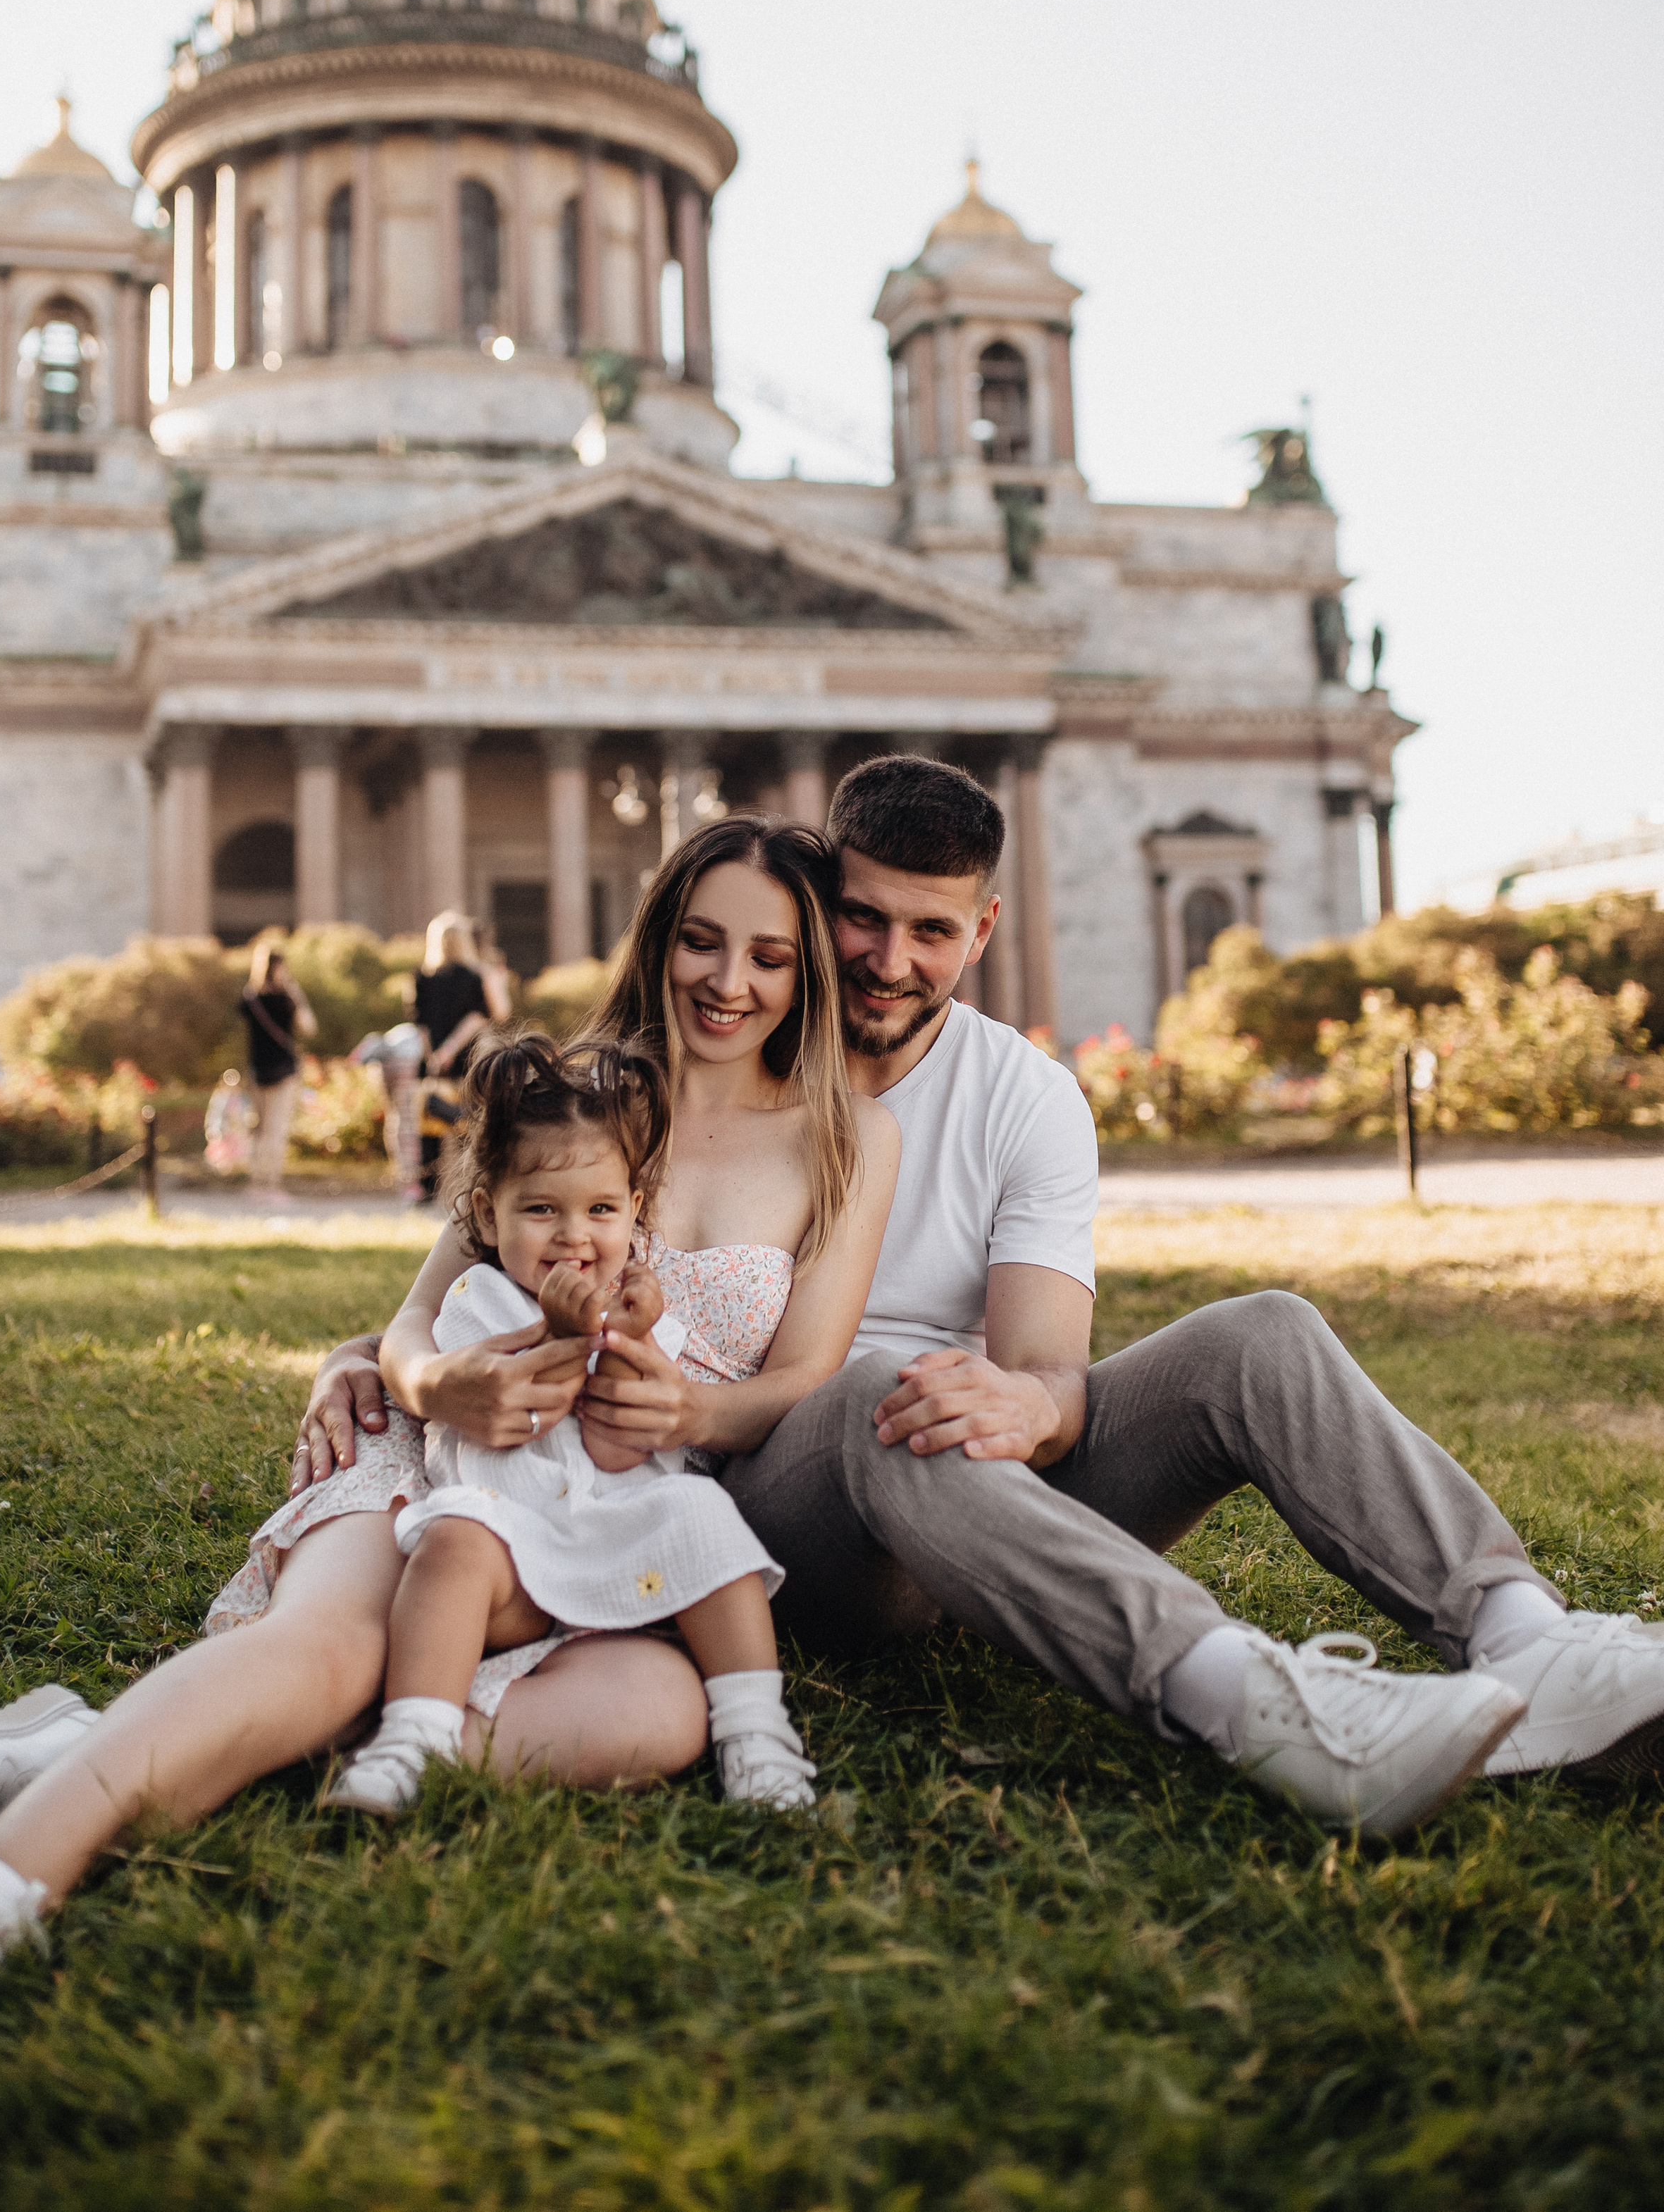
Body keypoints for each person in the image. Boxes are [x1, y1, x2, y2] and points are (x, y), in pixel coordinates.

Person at [295, 757, 1664, 1829]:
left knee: (1262, 1334)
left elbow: (1051, 1377)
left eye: (930, 932)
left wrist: (1019, 1399)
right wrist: (379, 1356)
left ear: (981, 931)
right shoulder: (678, 1083)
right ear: (814, 904)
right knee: (887, 1401)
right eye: (861, 921)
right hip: (797, 1511)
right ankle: (1257, 1704)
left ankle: (1520, 1637)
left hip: (994, 1476)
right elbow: (520, 1256)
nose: (888, 961)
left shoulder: (1022, 1100)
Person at [0, 816, 897, 2059]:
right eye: (702, 940)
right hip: (453, 1465)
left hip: (614, 1511)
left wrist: (692, 1410)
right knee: (338, 1648)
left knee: (666, 1712)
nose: (730, 982)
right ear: (661, 938)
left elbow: (807, 1373)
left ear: (807, 974)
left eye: (770, 956)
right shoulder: (574, 1089)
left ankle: (89, 1745)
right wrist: (427, 1379)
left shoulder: (849, 1132)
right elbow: (414, 1320)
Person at [327, 1033, 814, 1815]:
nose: (573, 1236)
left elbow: (616, 1446)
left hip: (618, 1552)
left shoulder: (641, 1312)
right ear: (488, 1215)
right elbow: (521, 1419)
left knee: (699, 1512)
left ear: (635, 1213)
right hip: (511, 1562)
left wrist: (632, 1338)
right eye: (542, 1211)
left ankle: (756, 1735)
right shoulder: (477, 1304)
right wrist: (559, 1339)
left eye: (600, 1211)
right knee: (456, 1537)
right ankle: (412, 1735)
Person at [413, 912, 512, 1203]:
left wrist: (434, 1053)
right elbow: (481, 1017)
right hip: (465, 1058)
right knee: (465, 1122)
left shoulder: (423, 976)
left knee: (430, 1124)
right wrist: (448, 1051)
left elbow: (420, 1021)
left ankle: (427, 1187)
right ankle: (466, 1184)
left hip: (435, 1060)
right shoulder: (474, 975)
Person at [237, 941, 316, 1200]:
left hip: (257, 1071)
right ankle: (269, 1186)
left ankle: (257, 1185)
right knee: (275, 1131)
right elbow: (309, 1028)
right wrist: (296, 994)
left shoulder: (250, 999)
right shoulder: (286, 999)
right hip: (282, 1071)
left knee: (259, 1130)